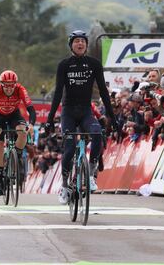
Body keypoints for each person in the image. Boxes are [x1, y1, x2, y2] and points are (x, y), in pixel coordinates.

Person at [45, 30, 119, 204]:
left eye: (83, 41)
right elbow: (57, 93)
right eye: (76, 41)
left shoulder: (94, 64)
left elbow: (103, 91)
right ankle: (64, 186)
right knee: (69, 149)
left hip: (86, 111)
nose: (80, 44)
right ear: (71, 45)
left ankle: (91, 174)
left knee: (97, 134)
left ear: (86, 45)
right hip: (68, 111)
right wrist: (49, 119)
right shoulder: (64, 65)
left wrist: (112, 117)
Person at [0, 70, 36, 196]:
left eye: (11, 85)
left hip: (14, 114)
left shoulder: (20, 89)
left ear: (15, 84)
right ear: (1, 84)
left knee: (23, 132)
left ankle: (17, 154)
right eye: (6, 85)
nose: (9, 88)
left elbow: (31, 109)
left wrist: (31, 125)